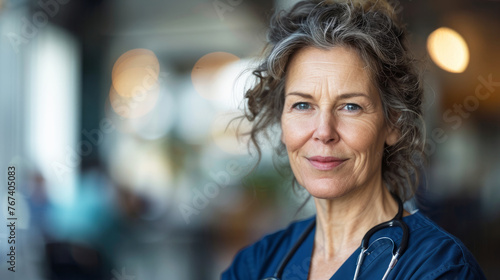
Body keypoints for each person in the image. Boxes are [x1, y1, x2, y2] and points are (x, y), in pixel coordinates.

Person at [222, 0, 486, 279]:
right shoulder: (255, 264)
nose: (324, 132)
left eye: (351, 106)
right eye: (302, 105)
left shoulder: (438, 268)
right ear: (281, 120)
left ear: (393, 123)